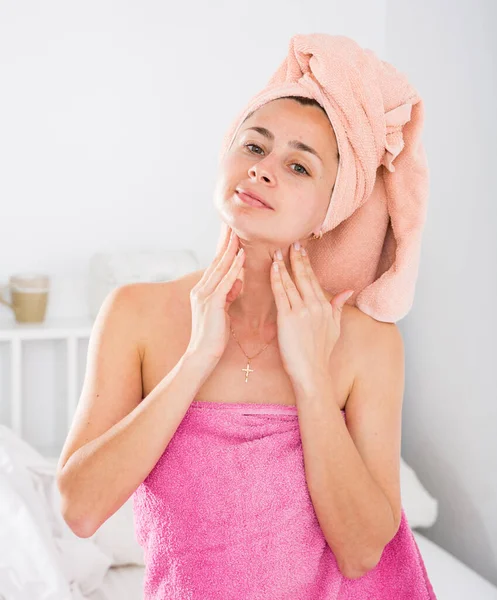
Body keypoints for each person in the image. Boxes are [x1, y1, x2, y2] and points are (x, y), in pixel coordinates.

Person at [57, 44, 436, 600]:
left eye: (299, 164)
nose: (262, 167)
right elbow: (80, 511)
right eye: (253, 144)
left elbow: (360, 554)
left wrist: (310, 380)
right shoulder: (134, 314)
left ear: (332, 207)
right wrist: (195, 361)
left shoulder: (369, 345)